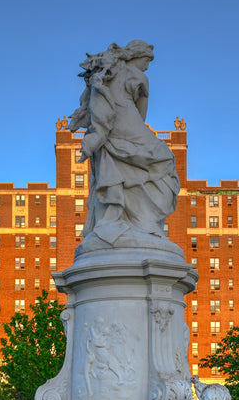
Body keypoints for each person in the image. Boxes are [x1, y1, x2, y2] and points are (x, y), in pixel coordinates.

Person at [68, 40, 180, 248]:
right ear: (137, 56)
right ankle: (145, 222)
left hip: (108, 123)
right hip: (127, 123)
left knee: (121, 162)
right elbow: (141, 115)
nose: (147, 65)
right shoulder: (139, 77)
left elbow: (92, 102)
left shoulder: (107, 73)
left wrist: (101, 132)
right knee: (165, 159)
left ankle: (125, 219)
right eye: (147, 60)